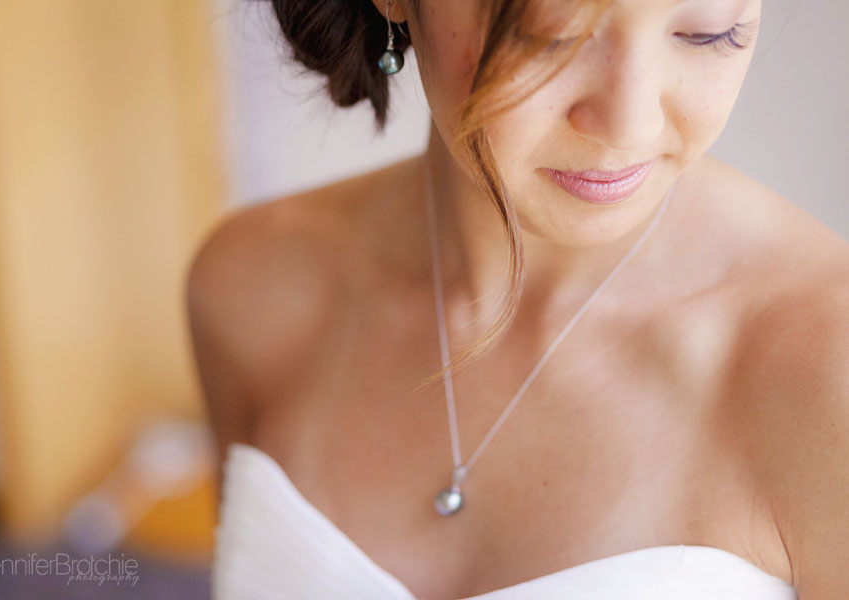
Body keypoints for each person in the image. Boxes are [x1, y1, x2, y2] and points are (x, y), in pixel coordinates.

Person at [186, 0, 849, 598]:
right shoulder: (253, 288)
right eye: (551, 35)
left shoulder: (825, 369)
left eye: (708, 34)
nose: (629, 125)